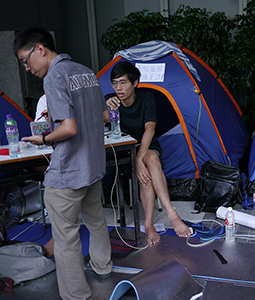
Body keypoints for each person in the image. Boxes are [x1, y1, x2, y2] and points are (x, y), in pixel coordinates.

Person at [14, 27, 112, 300]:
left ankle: (75, 295)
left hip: (68, 171)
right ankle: (103, 268)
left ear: (40, 49)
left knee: (66, 237)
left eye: (25, 60)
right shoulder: (86, 72)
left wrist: (43, 138)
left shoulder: (54, 76)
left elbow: (68, 128)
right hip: (92, 167)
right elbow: (105, 116)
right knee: (96, 221)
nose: (27, 68)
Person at [105, 61, 191, 245]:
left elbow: (150, 130)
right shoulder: (111, 101)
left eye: (123, 83)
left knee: (150, 159)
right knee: (147, 171)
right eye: (115, 83)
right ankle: (169, 216)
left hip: (146, 146)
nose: (118, 88)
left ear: (135, 83)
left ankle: (152, 221)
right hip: (124, 152)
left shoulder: (147, 99)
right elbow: (99, 122)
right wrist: (106, 108)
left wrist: (139, 159)